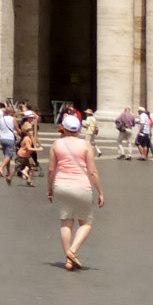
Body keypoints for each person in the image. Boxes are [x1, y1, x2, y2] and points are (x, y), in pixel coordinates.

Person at [46, 112, 105, 270]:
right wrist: (100, 192)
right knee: (86, 223)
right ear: (79, 129)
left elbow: (51, 170)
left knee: (66, 221)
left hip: (61, 186)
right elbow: (92, 171)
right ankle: (72, 251)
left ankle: (68, 260)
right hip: (81, 186)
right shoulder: (86, 145)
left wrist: (50, 189)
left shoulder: (56, 144)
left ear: (63, 128)